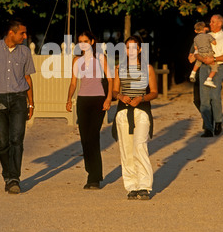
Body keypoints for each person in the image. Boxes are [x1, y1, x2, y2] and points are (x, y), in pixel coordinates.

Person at [0, 18, 36, 194]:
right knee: (3, 142)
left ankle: (14, 178)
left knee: (16, 139)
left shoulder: (25, 52)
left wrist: (31, 103)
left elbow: (28, 78)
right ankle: (7, 175)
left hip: (19, 99)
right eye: (22, 33)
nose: (25, 37)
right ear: (12, 33)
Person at [112, 36, 158, 200]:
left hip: (142, 110)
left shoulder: (147, 67)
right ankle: (131, 186)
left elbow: (154, 92)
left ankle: (144, 185)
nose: (130, 51)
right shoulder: (119, 68)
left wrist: (142, 98)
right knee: (126, 149)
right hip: (123, 111)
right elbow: (114, 90)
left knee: (139, 145)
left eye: (134, 48)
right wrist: (120, 96)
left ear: (139, 50)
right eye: (127, 48)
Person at [66, 31, 113, 189]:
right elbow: (73, 83)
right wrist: (68, 99)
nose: (83, 44)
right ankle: (91, 172)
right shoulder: (77, 60)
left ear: (92, 41)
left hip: (99, 99)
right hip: (83, 100)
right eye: (80, 41)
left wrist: (108, 98)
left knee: (93, 136)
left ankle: (94, 177)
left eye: (85, 41)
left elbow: (110, 79)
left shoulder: (100, 58)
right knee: (85, 139)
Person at [195, 14, 223, 137]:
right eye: (211, 21)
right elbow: (196, 52)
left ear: (220, 23)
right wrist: (200, 58)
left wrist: (213, 59)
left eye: (213, 22)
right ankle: (208, 127)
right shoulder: (204, 35)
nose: (210, 24)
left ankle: (218, 122)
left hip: (217, 68)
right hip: (203, 68)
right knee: (204, 98)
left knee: (215, 96)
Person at [189, 21, 218, 88]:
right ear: (204, 29)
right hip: (208, 53)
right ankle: (209, 79)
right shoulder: (208, 36)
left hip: (200, 53)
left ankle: (193, 73)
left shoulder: (195, 38)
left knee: (198, 62)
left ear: (195, 31)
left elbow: (196, 47)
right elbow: (214, 43)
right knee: (214, 68)